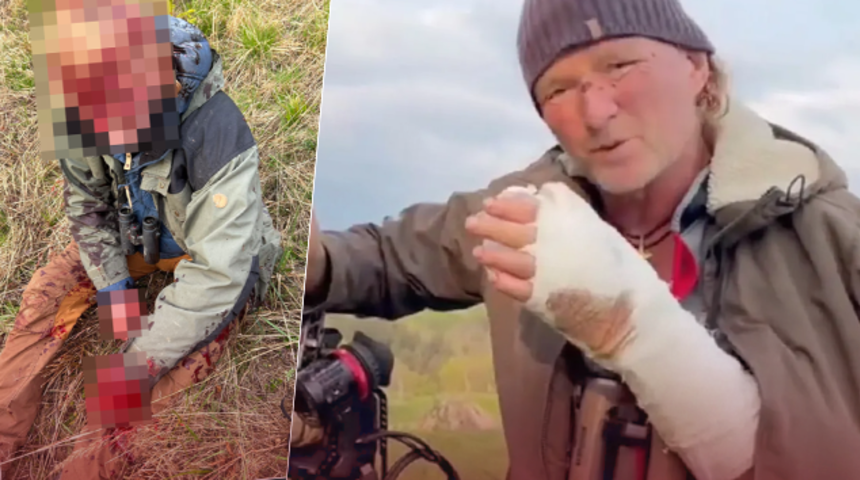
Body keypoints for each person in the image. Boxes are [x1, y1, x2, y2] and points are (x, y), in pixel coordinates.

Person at [296, 0, 860, 479]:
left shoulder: (830, 239)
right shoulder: (525, 213)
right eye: (559, 88)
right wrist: (315, 257)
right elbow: (392, 258)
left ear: (697, 68)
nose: (595, 111)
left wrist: (627, 324)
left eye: (621, 65)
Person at [0, 16, 282, 480]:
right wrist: (112, 285)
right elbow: (87, 205)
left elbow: (219, 273)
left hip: (209, 254)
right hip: (136, 239)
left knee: (159, 381)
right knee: (46, 297)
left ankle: (84, 468)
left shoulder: (218, 129)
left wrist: (137, 361)